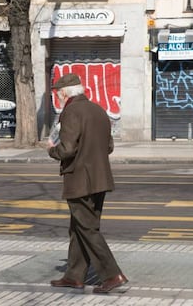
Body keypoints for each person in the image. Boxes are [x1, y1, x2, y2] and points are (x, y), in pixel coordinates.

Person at [47, 73, 128, 294]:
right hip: (100, 179)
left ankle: (112, 275)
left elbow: (67, 149)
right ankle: (74, 276)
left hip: (80, 180)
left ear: (64, 93)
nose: (58, 96)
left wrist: (51, 150)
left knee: (87, 228)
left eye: (58, 93)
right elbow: (109, 147)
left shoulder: (71, 112)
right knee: (78, 228)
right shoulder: (99, 110)